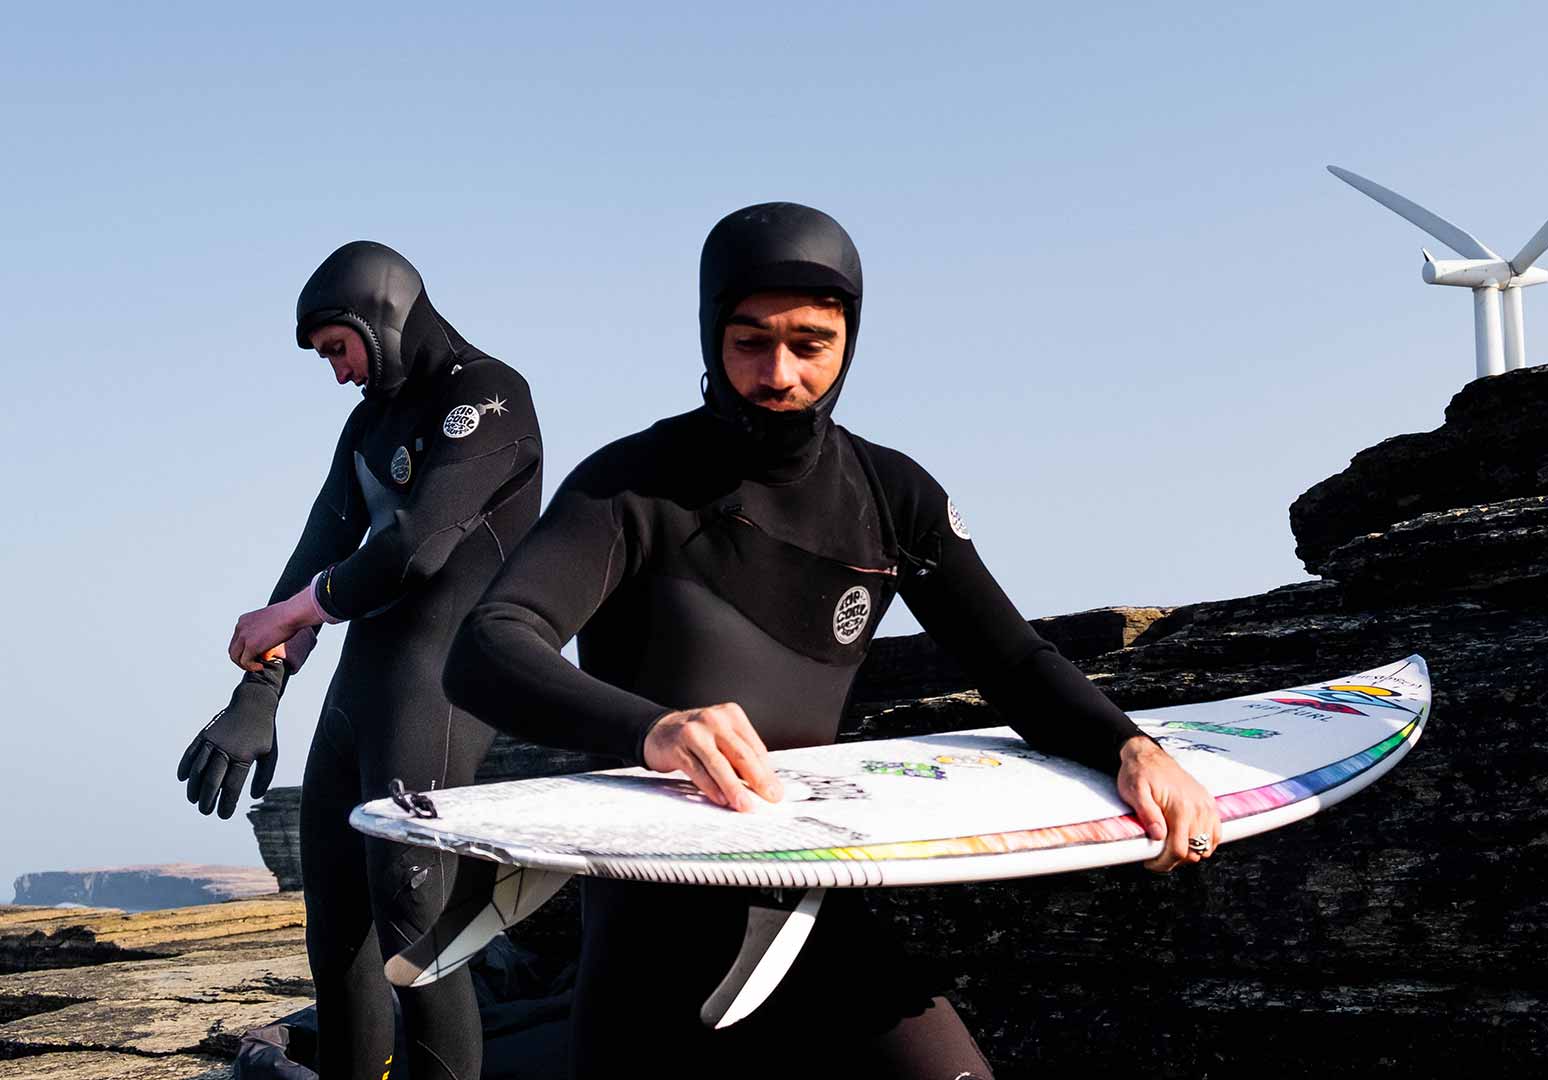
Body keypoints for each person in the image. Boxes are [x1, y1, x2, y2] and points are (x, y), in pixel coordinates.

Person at [441, 202, 1220, 1078]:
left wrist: (1129, 746)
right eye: (749, 342)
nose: (779, 374)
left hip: (815, 902)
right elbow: (489, 647)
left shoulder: (893, 495)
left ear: (850, 339)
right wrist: (652, 730)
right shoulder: (632, 485)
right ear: (709, 336)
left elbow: (1011, 660)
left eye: (810, 343)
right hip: (651, 929)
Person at [177, 241, 543, 1080]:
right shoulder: (367, 425)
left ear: (381, 321)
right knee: (335, 935)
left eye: (338, 350)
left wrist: (298, 612)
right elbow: (320, 550)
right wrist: (259, 692)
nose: (337, 373)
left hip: (440, 690)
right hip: (362, 693)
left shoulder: (490, 396)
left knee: (418, 938)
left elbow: (417, 546)